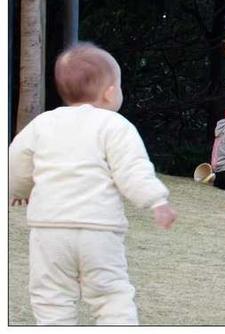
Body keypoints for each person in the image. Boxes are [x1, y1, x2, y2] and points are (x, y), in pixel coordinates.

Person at [8, 42, 177, 326]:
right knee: (111, 295)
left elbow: (17, 160)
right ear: (110, 93)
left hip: (49, 229)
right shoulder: (115, 125)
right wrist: (156, 200)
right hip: (99, 230)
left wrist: (18, 191)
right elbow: (132, 169)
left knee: (51, 298)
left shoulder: (43, 123)